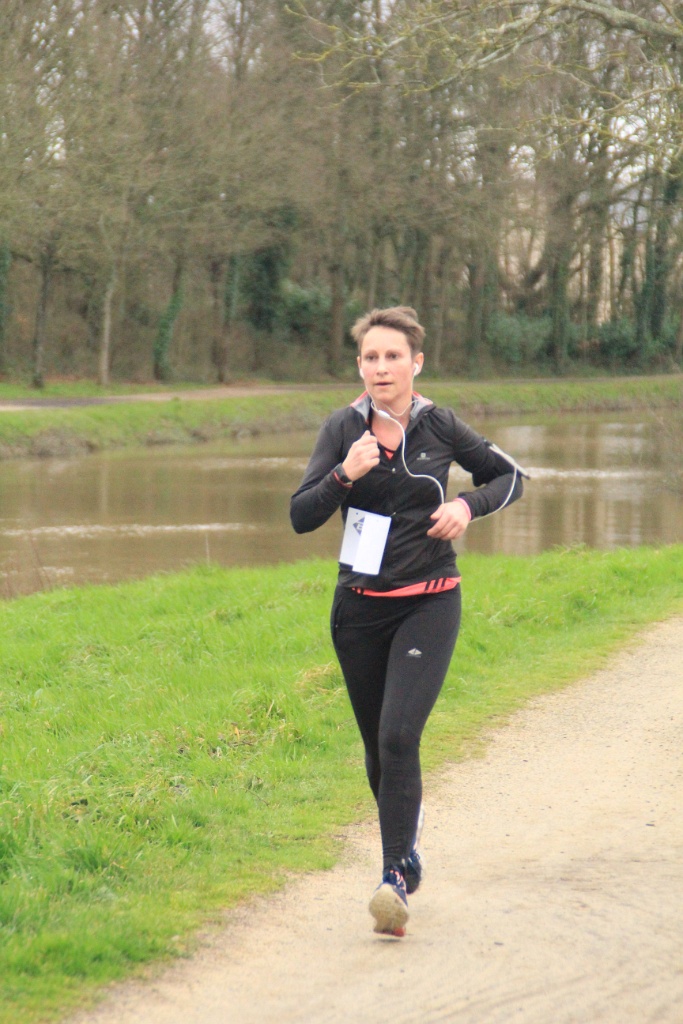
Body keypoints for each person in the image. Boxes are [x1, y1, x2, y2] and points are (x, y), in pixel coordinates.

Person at [290, 306, 525, 937]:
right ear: (359, 366)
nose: (382, 367)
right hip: (358, 609)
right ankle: (406, 849)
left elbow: (510, 479)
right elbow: (301, 516)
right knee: (377, 749)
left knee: (399, 737)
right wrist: (345, 473)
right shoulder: (342, 429)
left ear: (416, 363)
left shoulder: (439, 424)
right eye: (371, 357)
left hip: (429, 601)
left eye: (393, 356)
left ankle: (392, 878)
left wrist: (467, 507)